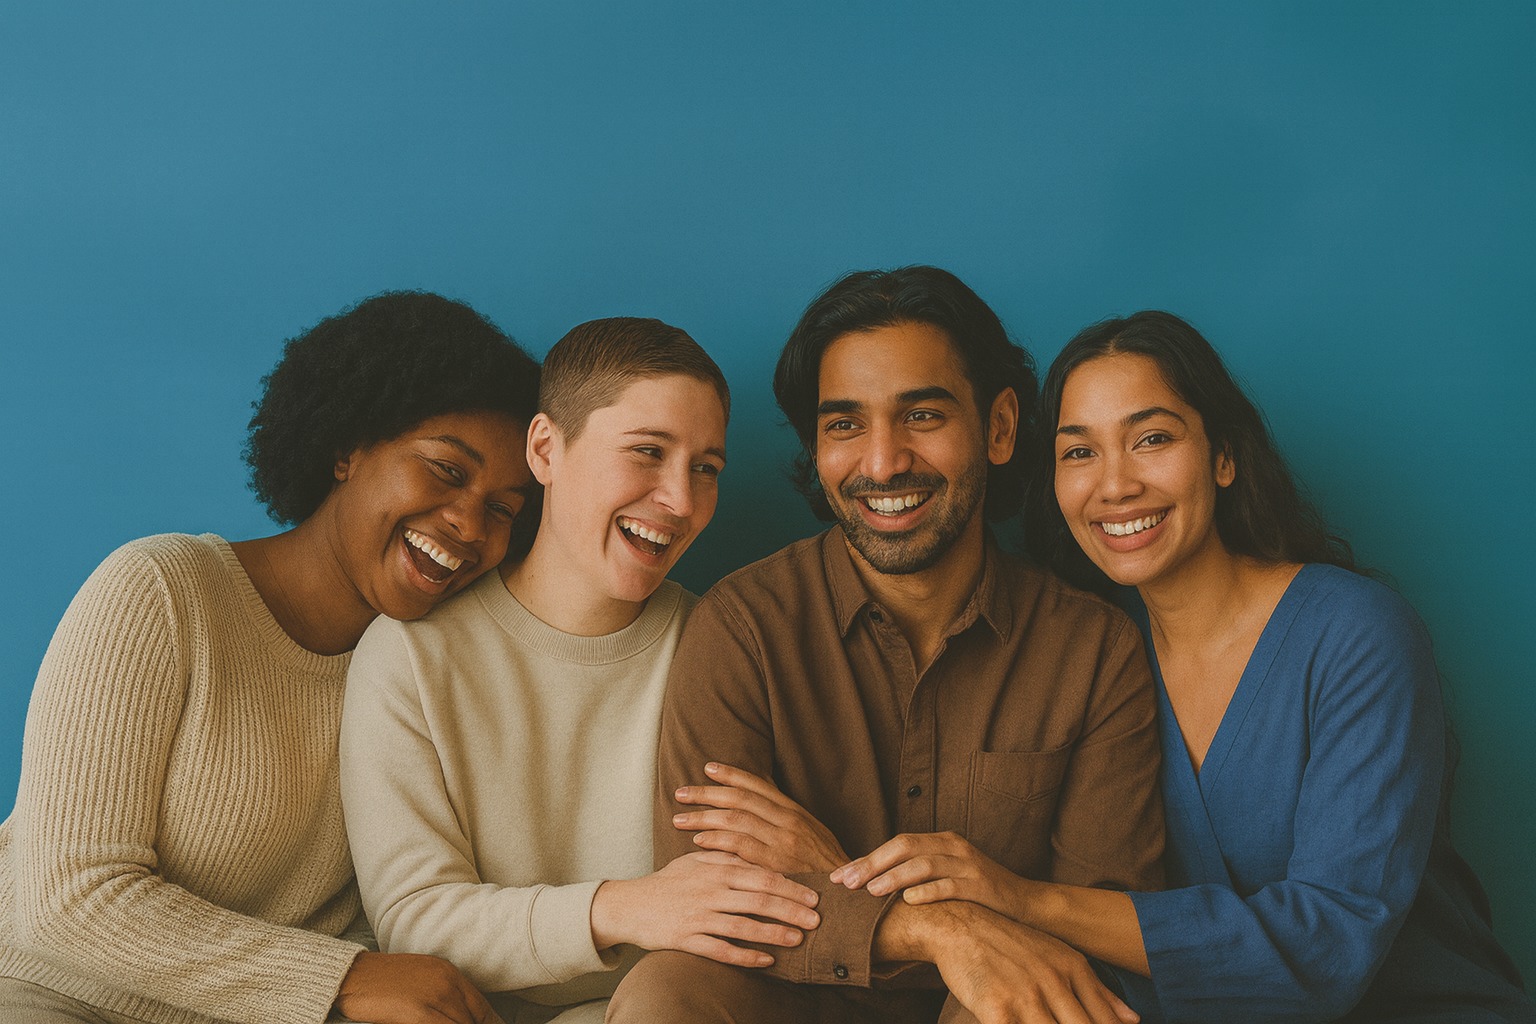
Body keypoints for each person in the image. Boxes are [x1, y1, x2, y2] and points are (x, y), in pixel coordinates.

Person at [833, 310, 1535, 1022]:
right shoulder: (1089, 651)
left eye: (1152, 439)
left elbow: (1328, 947)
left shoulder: (1357, 633)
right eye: (1078, 453)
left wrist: (1026, 898)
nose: (1114, 485)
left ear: (1223, 455)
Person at [607, 267, 1165, 1024]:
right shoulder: (745, 625)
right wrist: (938, 927)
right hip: (785, 998)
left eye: (922, 416)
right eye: (844, 425)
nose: (881, 462)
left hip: (988, 1003)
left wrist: (828, 871)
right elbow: (711, 900)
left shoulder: (1094, 649)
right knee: (663, 993)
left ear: (999, 428)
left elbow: (1094, 915)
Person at [0, 291, 541, 1024]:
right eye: (447, 471)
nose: (471, 523)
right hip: (45, 995)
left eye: (505, 507)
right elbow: (68, 899)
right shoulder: (162, 591)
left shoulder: (432, 674)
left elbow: (399, 905)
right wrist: (348, 978)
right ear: (348, 446)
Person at [339, 317, 821, 1024]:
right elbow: (415, 922)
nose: (681, 502)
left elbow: (741, 908)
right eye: (647, 452)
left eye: (705, 470)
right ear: (545, 448)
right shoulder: (410, 654)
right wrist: (623, 908)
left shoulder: (723, 643)